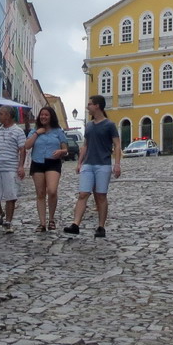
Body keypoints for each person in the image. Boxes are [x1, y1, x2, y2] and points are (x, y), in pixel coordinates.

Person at [65, 94, 121, 238]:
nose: (87, 106)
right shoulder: (89, 125)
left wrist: (117, 164)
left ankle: (101, 226)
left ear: (97, 106)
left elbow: (117, 144)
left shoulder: (109, 125)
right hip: (88, 164)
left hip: (103, 164)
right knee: (83, 194)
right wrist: (79, 163)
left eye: (90, 104)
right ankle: (75, 224)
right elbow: (85, 145)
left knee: (100, 196)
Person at [23, 106, 68, 232]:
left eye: (46, 115)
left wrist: (61, 151)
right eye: (42, 115)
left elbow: (65, 149)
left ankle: (51, 219)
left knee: (52, 191)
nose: (43, 117)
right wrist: (37, 133)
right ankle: (42, 223)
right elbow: (27, 146)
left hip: (53, 162)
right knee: (40, 193)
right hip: (37, 162)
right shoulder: (35, 131)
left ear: (51, 117)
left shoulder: (58, 131)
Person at [0, 106, 27, 234]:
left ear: (8, 116)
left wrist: (21, 166)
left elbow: (22, 150)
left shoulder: (18, 131)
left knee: (10, 196)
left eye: (1, 114)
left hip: (10, 167)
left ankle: (8, 222)